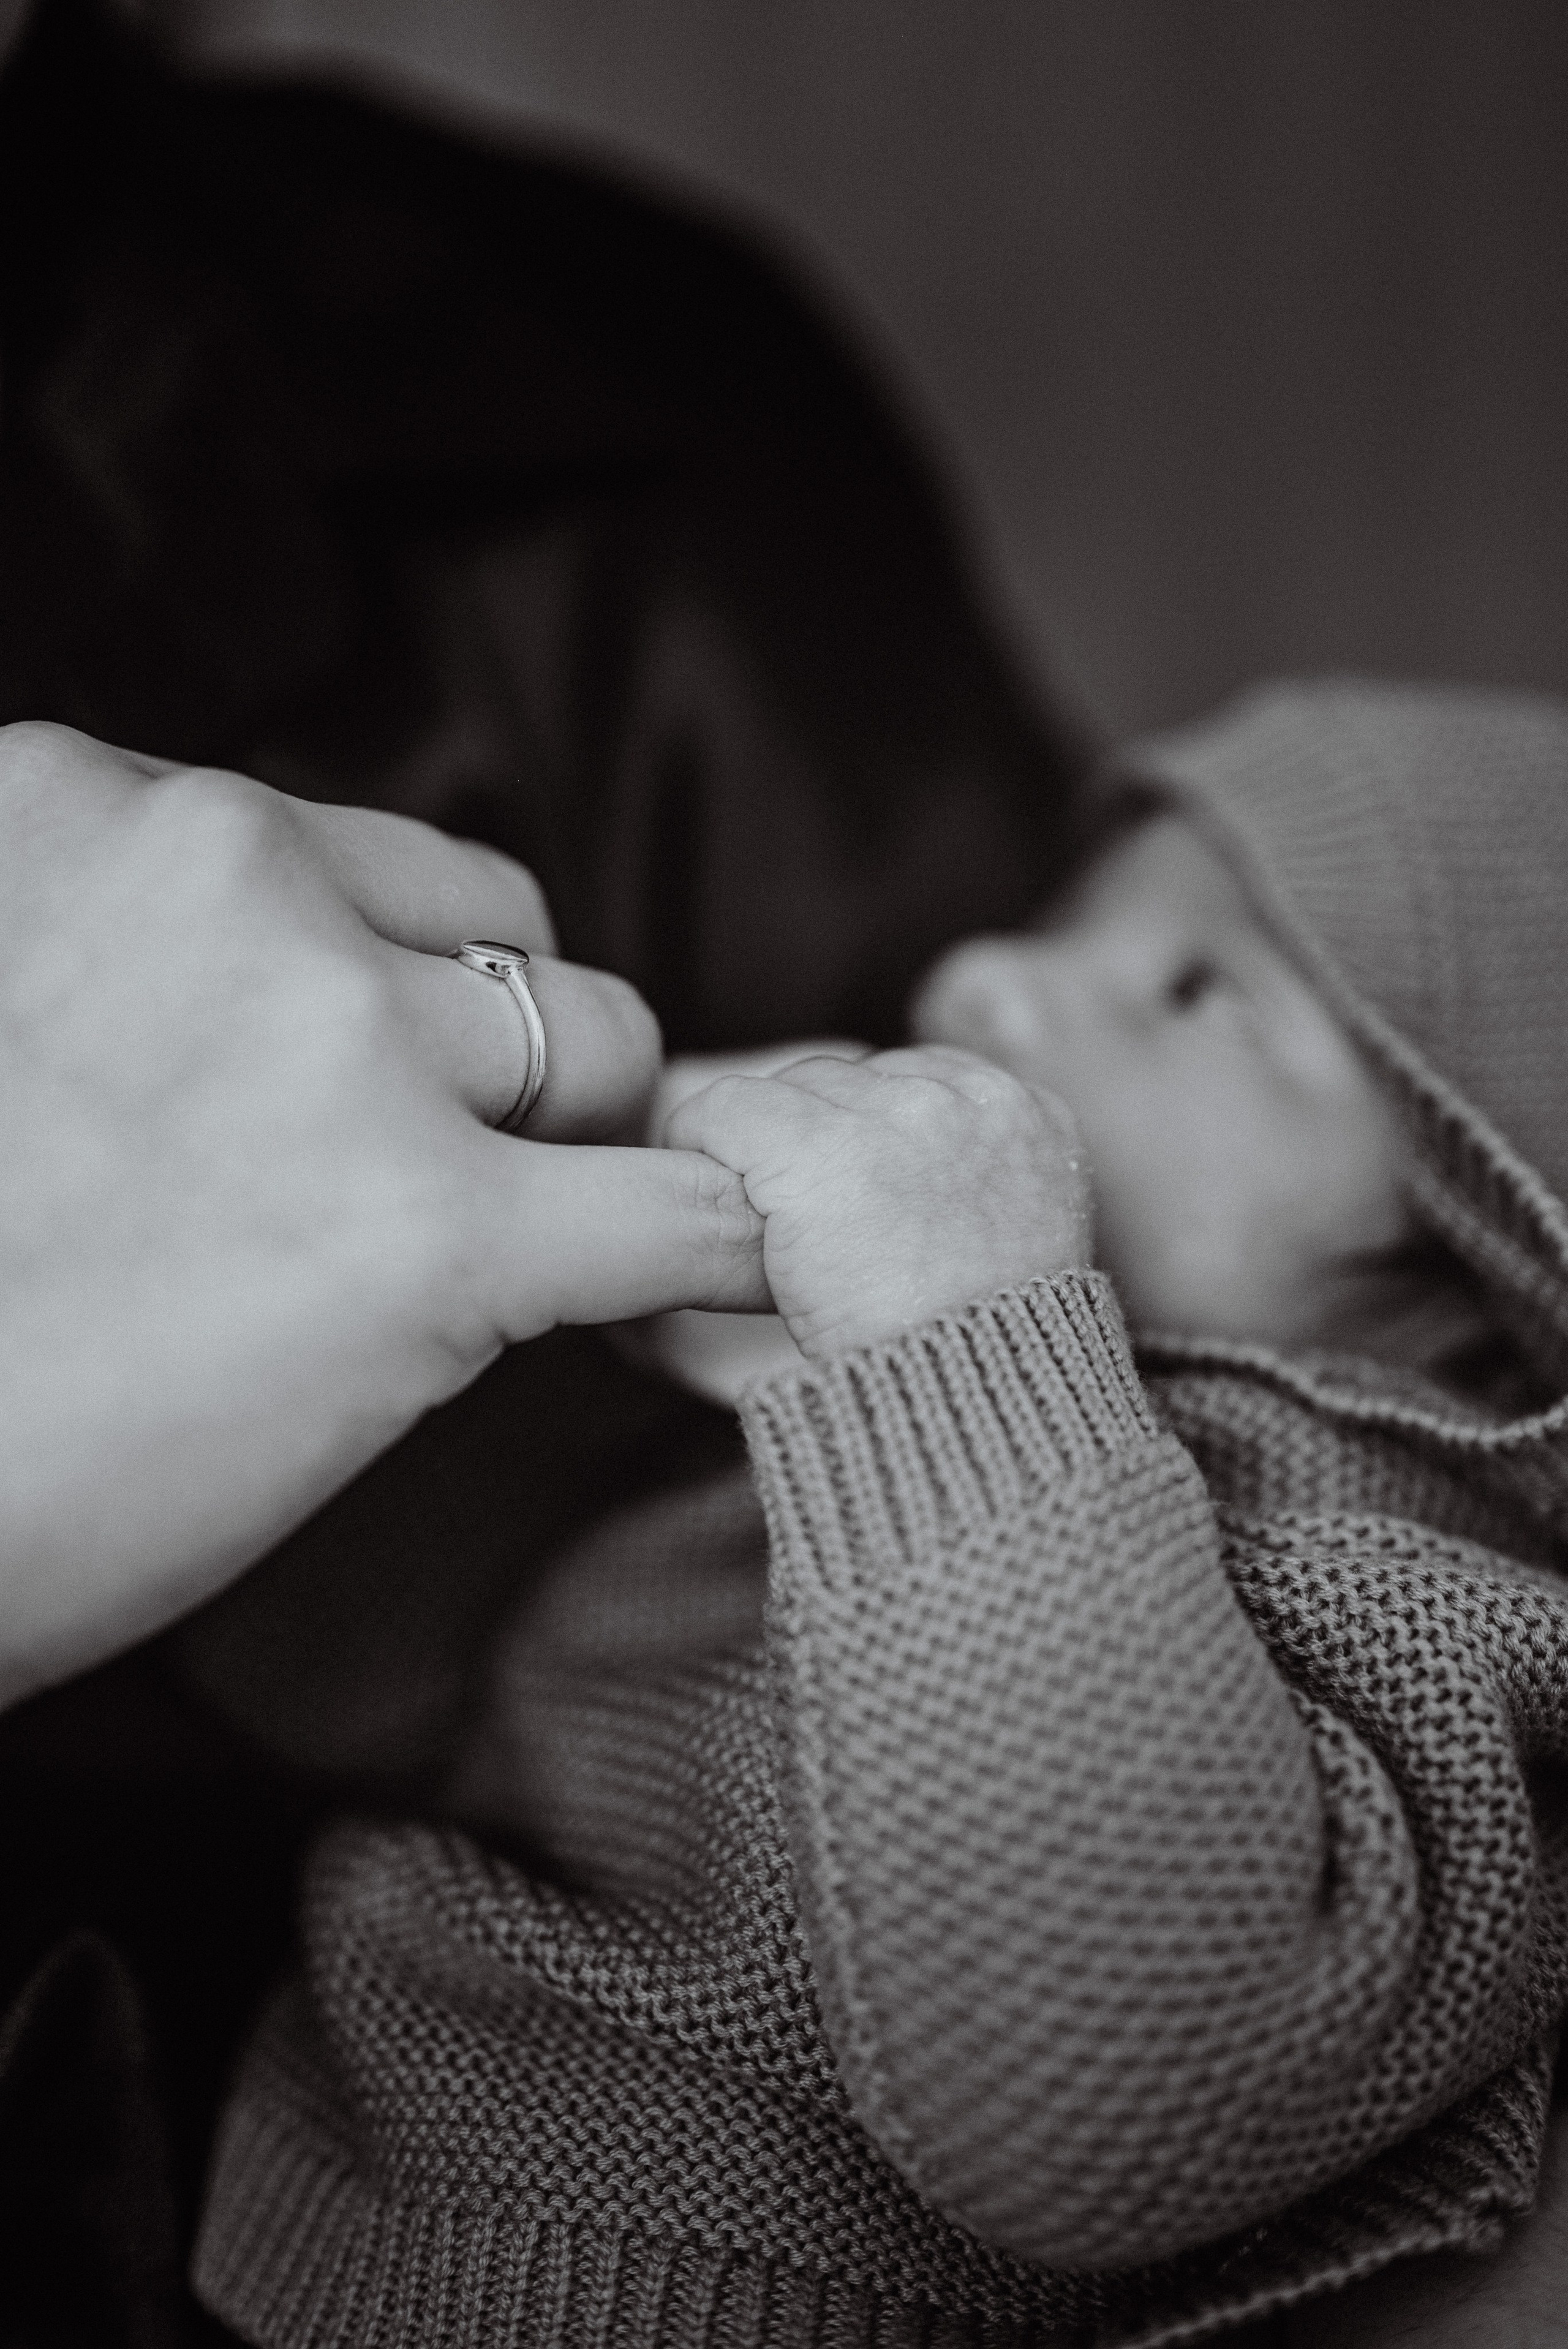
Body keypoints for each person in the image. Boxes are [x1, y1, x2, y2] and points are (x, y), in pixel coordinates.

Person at [190, 679, 1568, 2347]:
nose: (976, 972)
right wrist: (560, 1280)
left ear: (1488, 1266)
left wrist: (957, 1338)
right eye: (1058, 916)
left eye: (1197, 987)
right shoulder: (939, 1402)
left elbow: (1106, 2100)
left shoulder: (1428, 1599)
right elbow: (329, 1680)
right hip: (281, 2202)